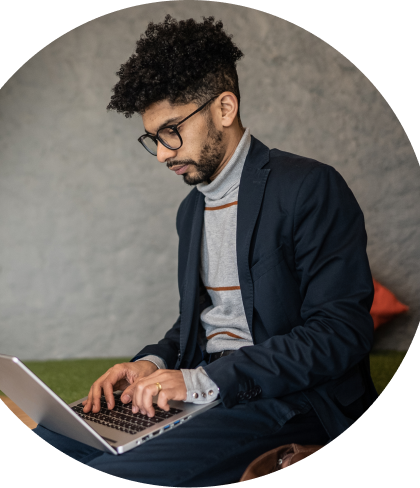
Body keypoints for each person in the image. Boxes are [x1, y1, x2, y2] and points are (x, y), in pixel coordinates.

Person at [32, 15, 379, 485]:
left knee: (115, 470)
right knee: (54, 437)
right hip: (204, 386)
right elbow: (201, 321)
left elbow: (340, 332)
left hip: (290, 398)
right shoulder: (191, 210)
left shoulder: (309, 186)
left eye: (171, 130)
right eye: (153, 138)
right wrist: (151, 363)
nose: (162, 153)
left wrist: (205, 380)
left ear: (224, 108)